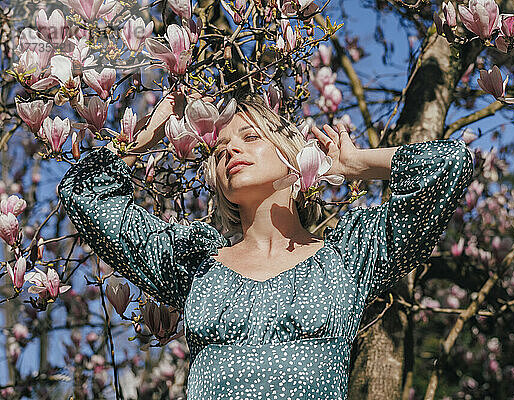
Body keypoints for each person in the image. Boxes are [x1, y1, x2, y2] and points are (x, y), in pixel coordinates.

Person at [57, 91, 474, 399]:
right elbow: (84, 195)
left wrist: (354, 164)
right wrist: (146, 136)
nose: (231, 149)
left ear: (292, 154)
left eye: (250, 136)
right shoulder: (194, 264)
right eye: (219, 148)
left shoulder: (348, 260)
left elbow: (448, 165)